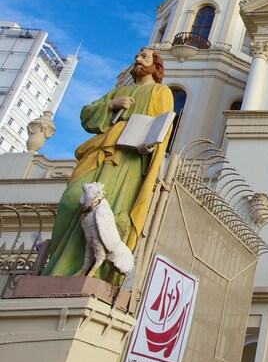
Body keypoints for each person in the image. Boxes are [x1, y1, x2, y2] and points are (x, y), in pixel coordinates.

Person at [42, 48, 174, 283]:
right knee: (72, 200)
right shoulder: (119, 90)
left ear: (156, 66)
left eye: (144, 57)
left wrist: (149, 147)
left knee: (110, 213)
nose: (137, 59)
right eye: (137, 55)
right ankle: (60, 265)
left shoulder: (161, 92)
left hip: (130, 161)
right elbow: (88, 114)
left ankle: (97, 272)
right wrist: (112, 104)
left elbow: (162, 129)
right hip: (101, 151)